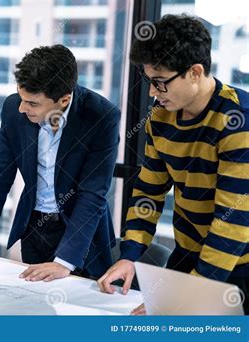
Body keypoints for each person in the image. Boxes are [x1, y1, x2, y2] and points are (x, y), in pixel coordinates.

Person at [97, 14, 248, 315]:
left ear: (195, 72)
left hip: (238, 262)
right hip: (189, 253)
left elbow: (233, 222)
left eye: (160, 82)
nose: (153, 92)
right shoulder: (162, 115)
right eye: (150, 82)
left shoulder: (238, 121)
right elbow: (148, 192)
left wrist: (193, 295)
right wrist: (130, 256)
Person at [0, 45, 121, 282]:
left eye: (33, 104)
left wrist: (64, 261)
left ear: (64, 99)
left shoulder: (101, 116)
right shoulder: (13, 109)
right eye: (21, 97)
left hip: (82, 237)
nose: (22, 108)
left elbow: (93, 193)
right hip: (35, 229)